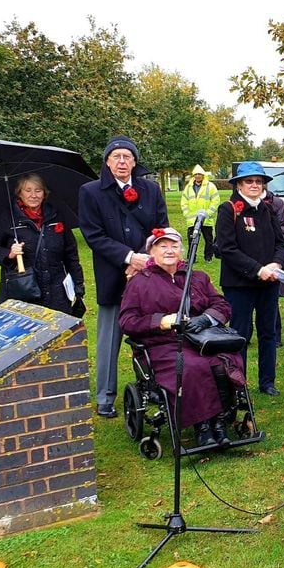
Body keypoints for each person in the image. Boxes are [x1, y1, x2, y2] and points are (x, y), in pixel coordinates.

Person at [118, 228, 246, 448]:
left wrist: (206, 319)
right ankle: (202, 425)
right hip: (163, 344)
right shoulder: (139, 283)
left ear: (182, 250)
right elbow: (127, 321)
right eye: (163, 246)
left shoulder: (197, 278)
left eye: (174, 246)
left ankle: (220, 421)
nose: (169, 251)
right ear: (152, 252)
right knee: (191, 367)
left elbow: (222, 304)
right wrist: (160, 321)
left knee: (226, 360)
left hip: (201, 340)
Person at [79, 136, 170, 418]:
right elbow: (93, 234)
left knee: (154, 333)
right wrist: (129, 259)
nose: (122, 161)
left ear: (134, 161)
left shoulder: (151, 189)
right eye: (116, 156)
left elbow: (161, 229)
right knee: (109, 339)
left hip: (147, 275)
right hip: (112, 275)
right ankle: (105, 397)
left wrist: (145, 258)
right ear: (107, 162)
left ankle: (158, 386)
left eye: (127, 157)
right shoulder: (90, 191)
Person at [215, 161, 284, 397]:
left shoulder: (267, 209)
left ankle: (267, 382)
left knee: (268, 333)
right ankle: (239, 384)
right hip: (240, 285)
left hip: (268, 284)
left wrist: (276, 264)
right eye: (249, 181)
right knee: (240, 334)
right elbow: (227, 248)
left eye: (259, 181)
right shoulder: (228, 209)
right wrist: (258, 269)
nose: (254, 185)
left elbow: (281, 243)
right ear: (238, 185)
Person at [0, 174, 86, 316]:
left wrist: (78, 284)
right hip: (23, 289)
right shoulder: (7, 218)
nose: (33, 195)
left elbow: (71, 254)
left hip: (57, 291)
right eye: (28, 190)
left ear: (44, 193)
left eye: (38, 190)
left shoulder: (56, 216)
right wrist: (9, 254)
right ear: (19, 193)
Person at [180, 164, 221, 263]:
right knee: (192, 239)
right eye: (196, 174)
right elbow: (184, 201)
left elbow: (215, 200)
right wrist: (186, 213)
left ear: (203, 175)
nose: (198, 176)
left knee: (208, 240)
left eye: (200, 174)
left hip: (206, 219)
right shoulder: (188, 187)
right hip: (192, 219)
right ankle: (191, 258)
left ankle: (208, 257)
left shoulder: (210, 186)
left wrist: (208, 213)